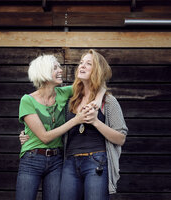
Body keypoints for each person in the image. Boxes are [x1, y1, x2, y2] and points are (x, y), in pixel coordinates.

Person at [16, 53, 105, 200]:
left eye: (59, 67)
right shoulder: (27, 100)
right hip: (32, 159)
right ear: (43, 72)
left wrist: (100, 97)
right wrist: (76, 120)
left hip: (57, 160)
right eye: (55, 68)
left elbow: (96, 84)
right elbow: (44, 137)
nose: (60, 70)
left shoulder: (64, 93)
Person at [60, 49, 128, 200]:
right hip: (70, 163)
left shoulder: (108, 102)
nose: (82, 66)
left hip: (96, 162)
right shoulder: (71, 100)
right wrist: (27, 133)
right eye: (81, 63)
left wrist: (96, 122)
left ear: (97, 70)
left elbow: (121, 138)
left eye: (88, 63)